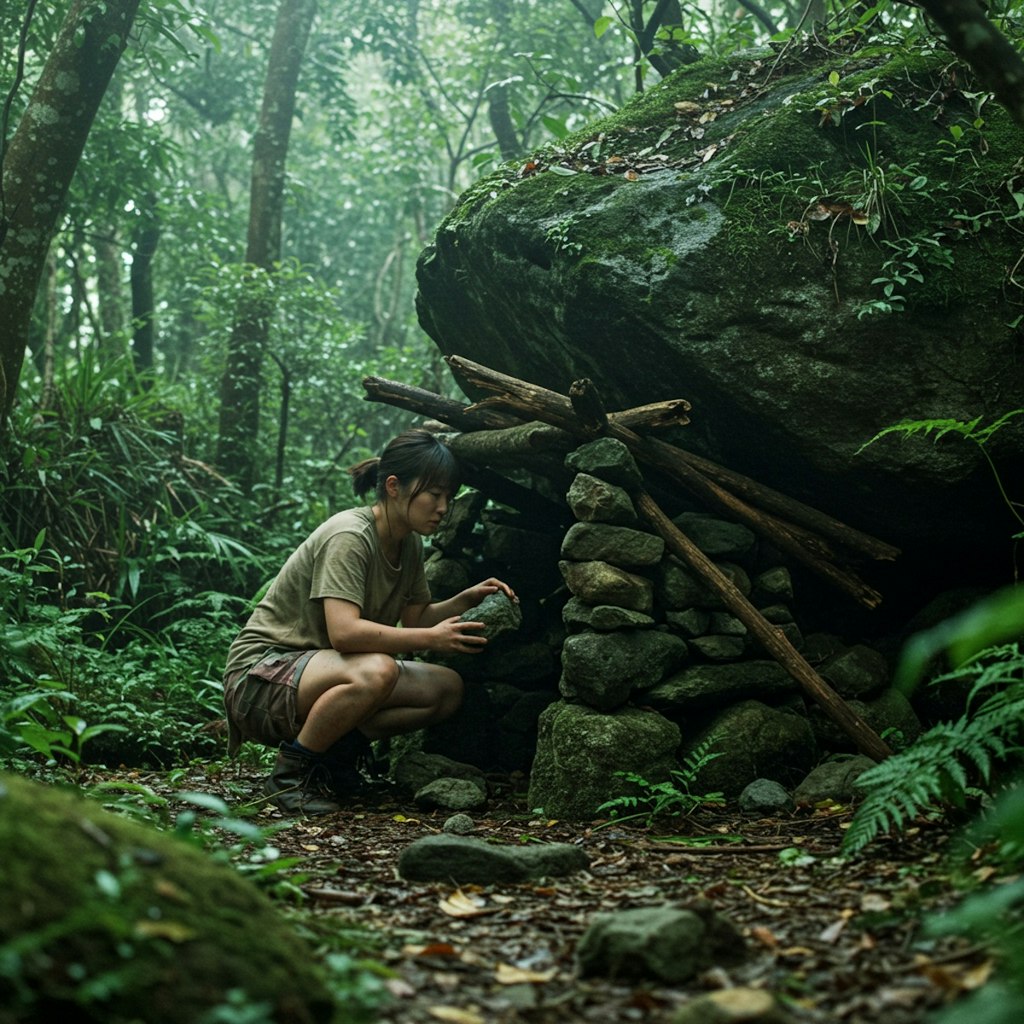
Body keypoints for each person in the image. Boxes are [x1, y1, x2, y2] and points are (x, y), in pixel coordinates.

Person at [222, 428, 517, 815]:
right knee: (377, 671)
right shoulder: (349, 535)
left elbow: (416, 618)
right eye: (435, 494)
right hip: (260, 679)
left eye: (449, 496)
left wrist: (464, 600)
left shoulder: (408, 540)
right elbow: (344, 634)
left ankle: (335, 757)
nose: (444, 507)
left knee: (446, 688)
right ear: (394, 486)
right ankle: (291, 775)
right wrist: (432, 636)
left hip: (316, 674)